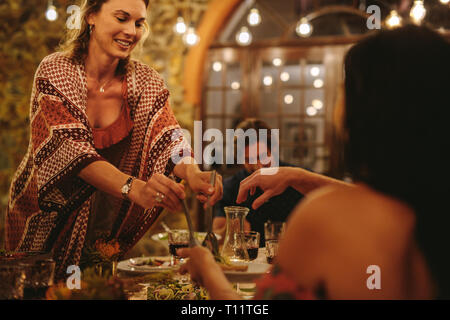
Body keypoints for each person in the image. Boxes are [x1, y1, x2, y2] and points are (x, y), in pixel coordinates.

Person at [179, 25, 450, 299]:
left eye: (343, 89)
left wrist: (209, 274)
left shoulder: (325, 217)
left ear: (364, 112)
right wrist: (301, 177)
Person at [5, 0, 222, 280]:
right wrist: (135, 188)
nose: (131, 31)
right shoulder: (55, 71)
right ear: (91, 16)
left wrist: (192, 171)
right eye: (122, 18)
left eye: (139, 23)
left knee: (97, 287)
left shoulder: (145, 81)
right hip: (44, 219)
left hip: (105, 224)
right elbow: (71, 151)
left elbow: (168, 135)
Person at [212, 118, 305, 246]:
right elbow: (214, 239)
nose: (258, 166)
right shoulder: (232, 186)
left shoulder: (297, 178)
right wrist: (231, 226)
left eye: (262, 157)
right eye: (248, 159)